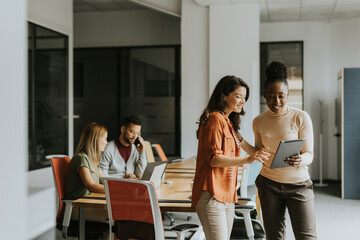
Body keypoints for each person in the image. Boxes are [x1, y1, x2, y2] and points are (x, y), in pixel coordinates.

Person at [240, 61, 316, 240]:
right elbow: (259, 152)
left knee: (307, 236)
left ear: (288, 95)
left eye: (281, 96)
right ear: (264, 95)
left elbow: (309, 154)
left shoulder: (300, 117)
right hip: (269, 185)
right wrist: (240, 141)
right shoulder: (258, 121)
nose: (276, 101)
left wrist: (301, 159)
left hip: (299, 185)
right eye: (271, 95)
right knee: (274, 236)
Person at [191, 75, 270, 240]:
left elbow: (248, 148)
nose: (242, 101)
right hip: (212, 195)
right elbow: (214, 159)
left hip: (226, 195)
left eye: (244, 98)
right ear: (223, 95)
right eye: (238, 96)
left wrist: (270, 151)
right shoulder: (214, 119)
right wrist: (247, 160)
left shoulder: (229, 124)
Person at [65, 122, 109, 233]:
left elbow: (106, 181)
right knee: (118, 215)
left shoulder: (93, 160)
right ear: (95, 140)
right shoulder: (81, 158)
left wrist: (126, 186)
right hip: (78, 208)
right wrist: (115, 190)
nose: (107, 142)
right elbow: (91, 186)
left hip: (88, 204)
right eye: (104, 139)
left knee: (120, 214)